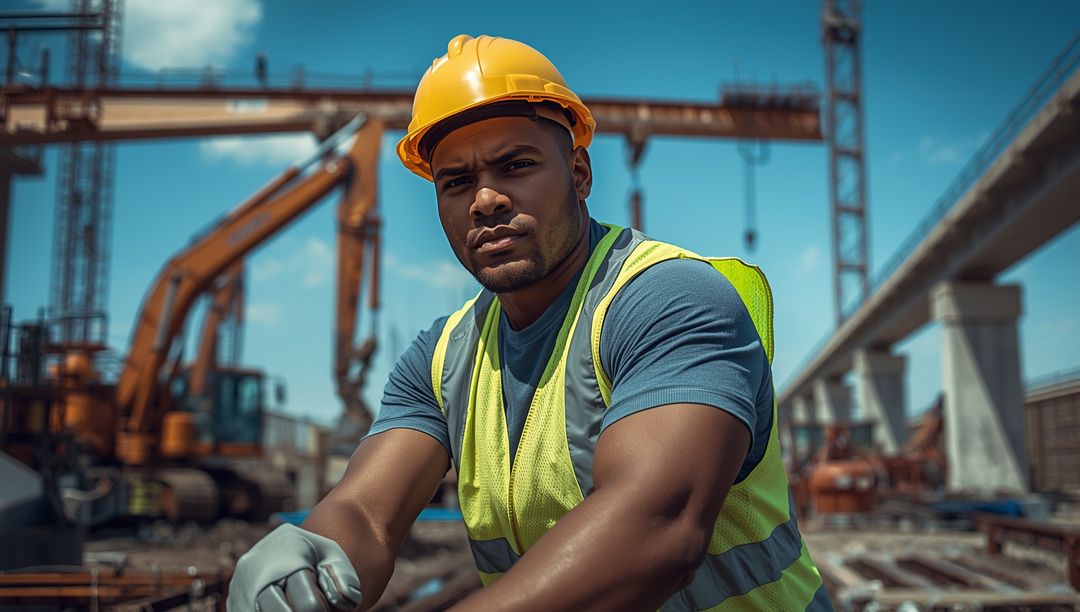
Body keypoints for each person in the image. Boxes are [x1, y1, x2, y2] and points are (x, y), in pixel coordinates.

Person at [228, 34, 831, 611]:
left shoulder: (668, 300)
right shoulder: (441, 358)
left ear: (579, 174)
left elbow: (655, 530)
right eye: (457, 182)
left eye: (515, 165)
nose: (485, 200)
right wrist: (314, 554)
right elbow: (365, 514)